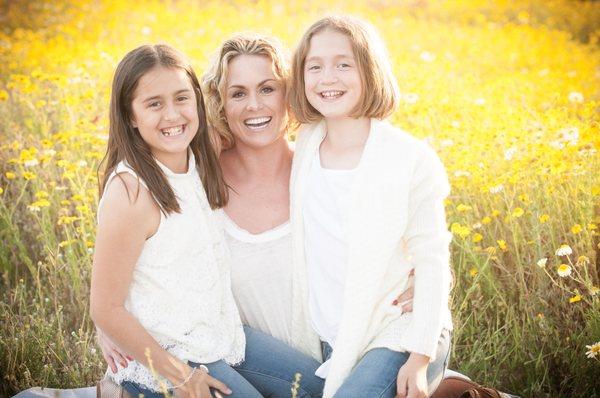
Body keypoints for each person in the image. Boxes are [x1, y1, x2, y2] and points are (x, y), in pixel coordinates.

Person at [287, 15, 453, 398]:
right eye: (315, 66)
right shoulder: (305, 145)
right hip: (333, 334)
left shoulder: (409, 157)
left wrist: (420, 356)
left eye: (344, 64)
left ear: (370, 70)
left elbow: (432, 258)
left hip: (397, 331)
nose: (328, 78)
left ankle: (443, 376)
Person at [90, 43, 259, 398]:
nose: (172, 115)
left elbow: (251, 114)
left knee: (316, 384)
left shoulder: (202, 151)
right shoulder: (131, 192)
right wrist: (181, 377)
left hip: (219, 335)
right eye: (154, 104)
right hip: (167, 354)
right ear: (130, 115)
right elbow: (105, 306)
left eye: (182, 98)